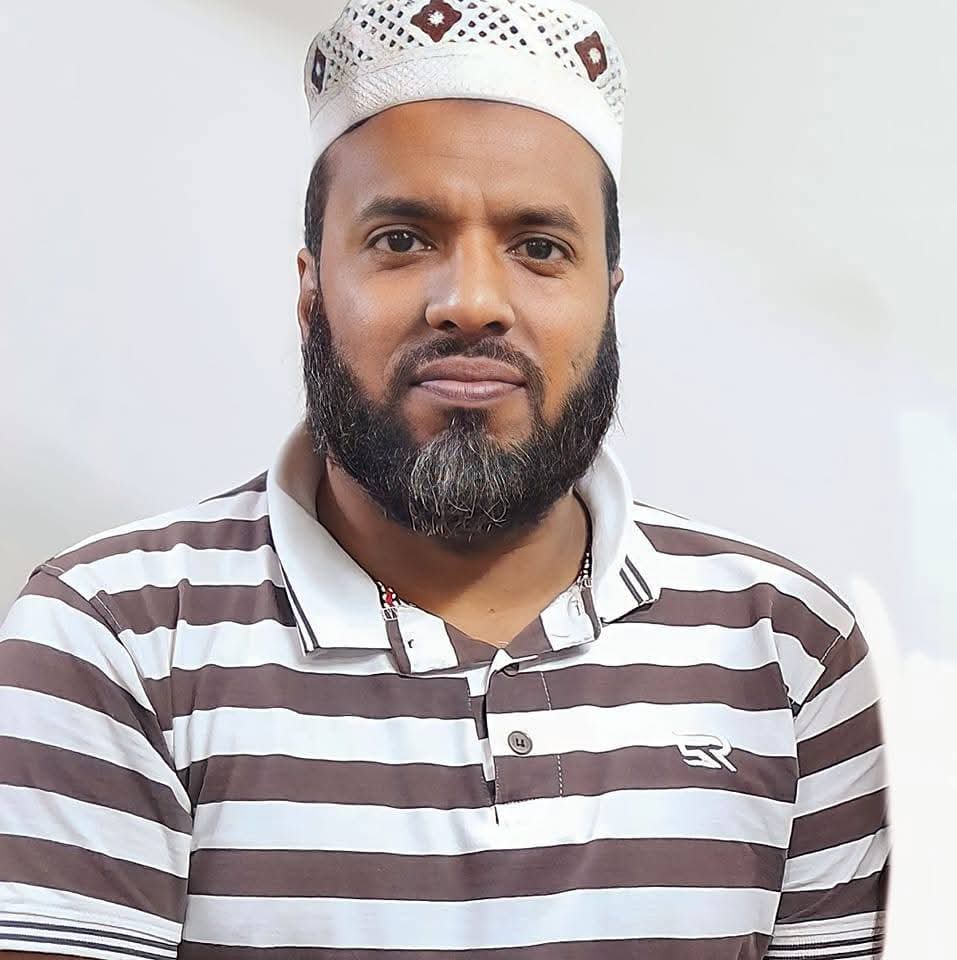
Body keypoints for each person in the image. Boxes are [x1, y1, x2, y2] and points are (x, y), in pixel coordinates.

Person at [0, 1, 889, 958]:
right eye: (401, 239)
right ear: (310, 288)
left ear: (608, 298)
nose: (470, 302)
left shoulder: (787, 652)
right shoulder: (114, 638)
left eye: (539, 248)